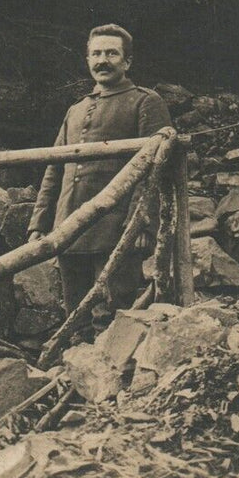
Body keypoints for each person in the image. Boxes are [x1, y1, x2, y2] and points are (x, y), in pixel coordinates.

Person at [27, 24, 170, 335]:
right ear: (87, 59)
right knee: (73, 319)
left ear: (127, 62)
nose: (102, 60)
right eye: (96, 54)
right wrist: (40, 223)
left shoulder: (145, 102)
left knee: (111, 318)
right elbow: (54, 168)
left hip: (114, 228)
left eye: (111, 53)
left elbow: (153, 169)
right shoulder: (76, 109)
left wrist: (141, 223)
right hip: (70, 227)